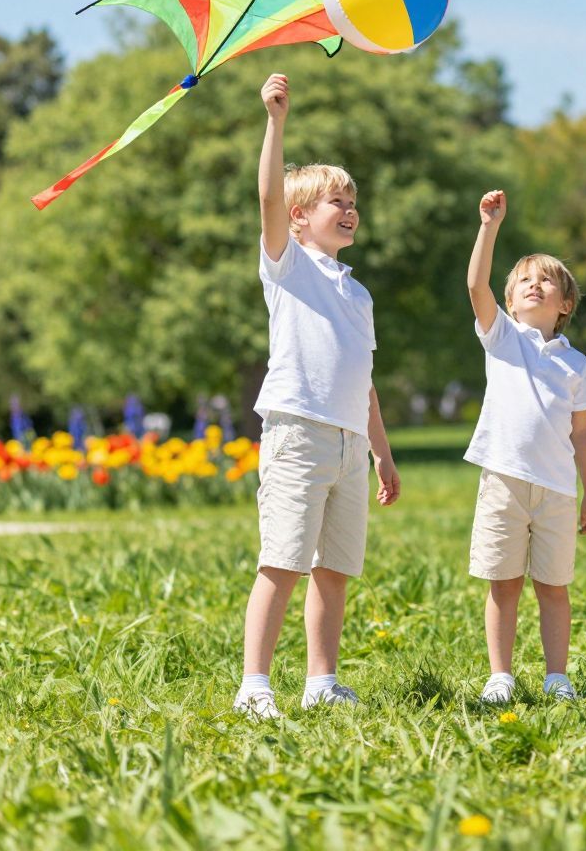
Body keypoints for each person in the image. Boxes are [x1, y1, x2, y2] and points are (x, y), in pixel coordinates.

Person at [235, 73, 401, 720]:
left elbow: (364, 382)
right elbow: (267, 197)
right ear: (301, 218)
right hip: (297, 431)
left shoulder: (357, 293)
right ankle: (256, 685)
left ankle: (321, 680)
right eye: (335, 199)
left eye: (352, 199)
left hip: (348, 444)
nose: (349, 206)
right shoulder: (289, 264)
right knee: (283, 561)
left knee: (334, 568)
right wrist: (276, 121)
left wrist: (381, 453)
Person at [465, 189, 586, 705]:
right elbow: (476, 283)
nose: (535, 285)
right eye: (525, 280)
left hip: (558, 490)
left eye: (547, 281)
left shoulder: (576, 363)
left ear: (565, 304)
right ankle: (501, 675)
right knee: (503, 583)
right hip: (503, 479)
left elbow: (582, 433)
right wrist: (489, 226)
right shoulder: (502, 336)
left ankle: (556, 675)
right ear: (510, 300)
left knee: (553, 586)